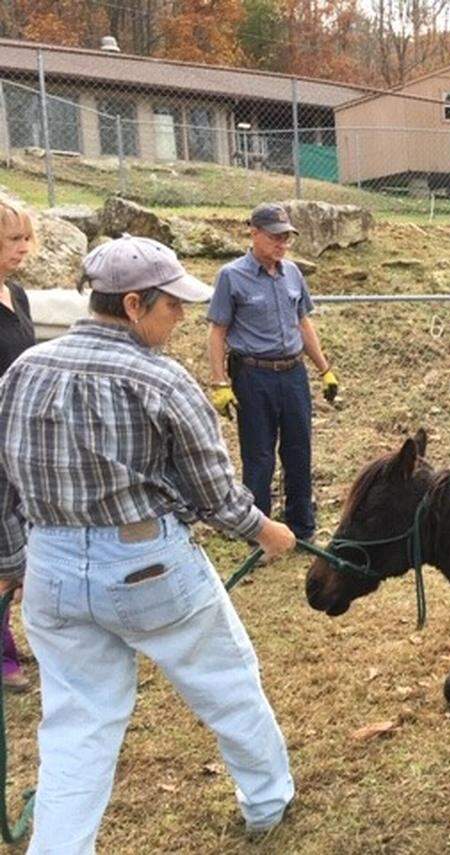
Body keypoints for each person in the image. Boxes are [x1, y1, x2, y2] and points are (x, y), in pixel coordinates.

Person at [0, 235, 297, 852]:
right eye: (172, 306)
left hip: (51, 568)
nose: (183, 318)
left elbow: (2, 483)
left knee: (76, 725)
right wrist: (265, 531)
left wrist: (11, 563)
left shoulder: (22, 371)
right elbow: (215, 493)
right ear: (134, 304)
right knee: (228, 681)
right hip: (147, 567)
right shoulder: (161, 380)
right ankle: (267, 800)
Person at [207, 203, 338, 542]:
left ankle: (302, 529)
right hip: (253, 374)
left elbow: (303, 322)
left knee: (299, 451)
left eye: (287, 238)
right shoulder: (231, 276)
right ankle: (260, 534)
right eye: (275, 237)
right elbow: (217, 331)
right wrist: (219, 382)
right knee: (259, 456)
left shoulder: (292, 273)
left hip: (292, 373)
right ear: (254, 233)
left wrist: (324, 369)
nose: (282, 244)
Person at [0, 200, 37, 692]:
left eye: (27, 239)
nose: (24, 249)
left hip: (21, 442)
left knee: (23, 554)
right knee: (5, 560)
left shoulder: (17, 294)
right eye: (14, 240)